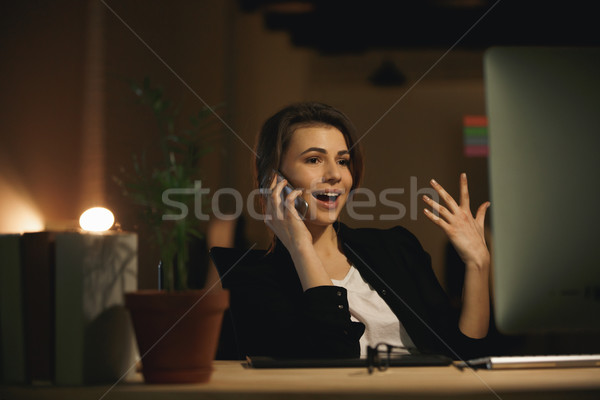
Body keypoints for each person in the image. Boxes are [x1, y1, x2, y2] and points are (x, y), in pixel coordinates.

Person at [233, 101, 490, 360]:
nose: (335, 174)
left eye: (343, 161)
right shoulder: (253, 279)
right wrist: (302, 248)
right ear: (274, 178)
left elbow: (463, 357)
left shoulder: (397, 248)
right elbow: (334, 360)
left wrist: (478, 263)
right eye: (314, 159)